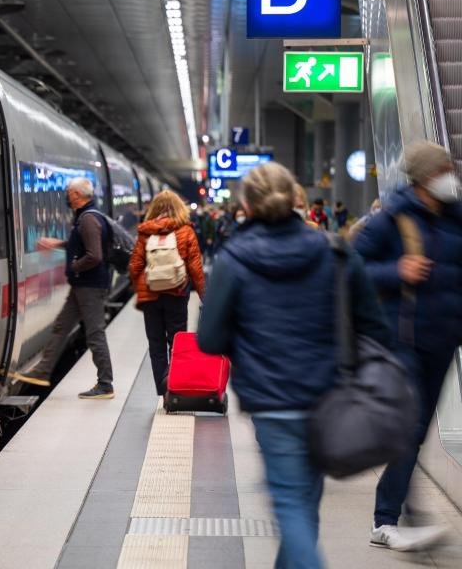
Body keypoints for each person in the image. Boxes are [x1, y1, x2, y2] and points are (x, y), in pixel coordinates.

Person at [198, 162, 391, 569]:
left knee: (291, 503)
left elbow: (210, 340)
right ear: (294, 199)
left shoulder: (233, 260)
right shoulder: (337, 252)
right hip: (329, 396)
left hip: (271, 401)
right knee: (303, 504)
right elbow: (374, 327)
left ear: (246, 207)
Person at [354, 140, 462, 551]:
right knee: (411, 425)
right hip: (403, 338)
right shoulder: (392, 220)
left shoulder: (456, 217)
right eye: (441, 172)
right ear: (422, 179)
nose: (449, 178)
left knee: (414, 431)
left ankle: (405, 513)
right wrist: (394, 270)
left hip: (443, 339)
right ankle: (387, 518)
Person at [11, 177, 115, 399]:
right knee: (61, 326)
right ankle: (43, 370)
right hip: (82, 286)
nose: (66, 196)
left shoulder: (87, 219)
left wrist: (75, 267)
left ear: (77, 195)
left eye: (68, 192)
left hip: (89, 285)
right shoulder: (85, 217)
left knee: (95, 333)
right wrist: (58, 244)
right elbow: (83, 244)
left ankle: (105, 384)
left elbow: (94, 254)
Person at [128, 191, 206, 396]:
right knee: (178, 342)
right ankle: (176, 390)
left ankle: (163, 391)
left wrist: (142, 286)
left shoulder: (145, 232)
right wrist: (204, 296)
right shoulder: (186, 231)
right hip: (177, 294)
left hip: (151, 297)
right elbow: (196, 268)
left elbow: (134, 266)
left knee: (156, 345)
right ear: (179, 208)